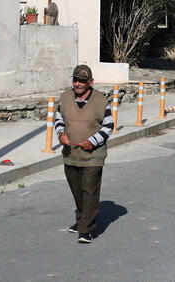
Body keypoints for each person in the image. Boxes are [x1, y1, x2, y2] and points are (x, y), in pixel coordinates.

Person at [54, 64, 113, 244]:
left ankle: (86, 229)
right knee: (77, 189)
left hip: (93, 155)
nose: (78, 84)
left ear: (90, 82)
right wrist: (61, 134)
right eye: (76, 80)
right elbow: (58, 119)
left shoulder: (101, 101)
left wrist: (93, 141)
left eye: (82, 81)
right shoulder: (64, 98)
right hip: (71, 153)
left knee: (89, 190)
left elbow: (109, 126)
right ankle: (81, 219)